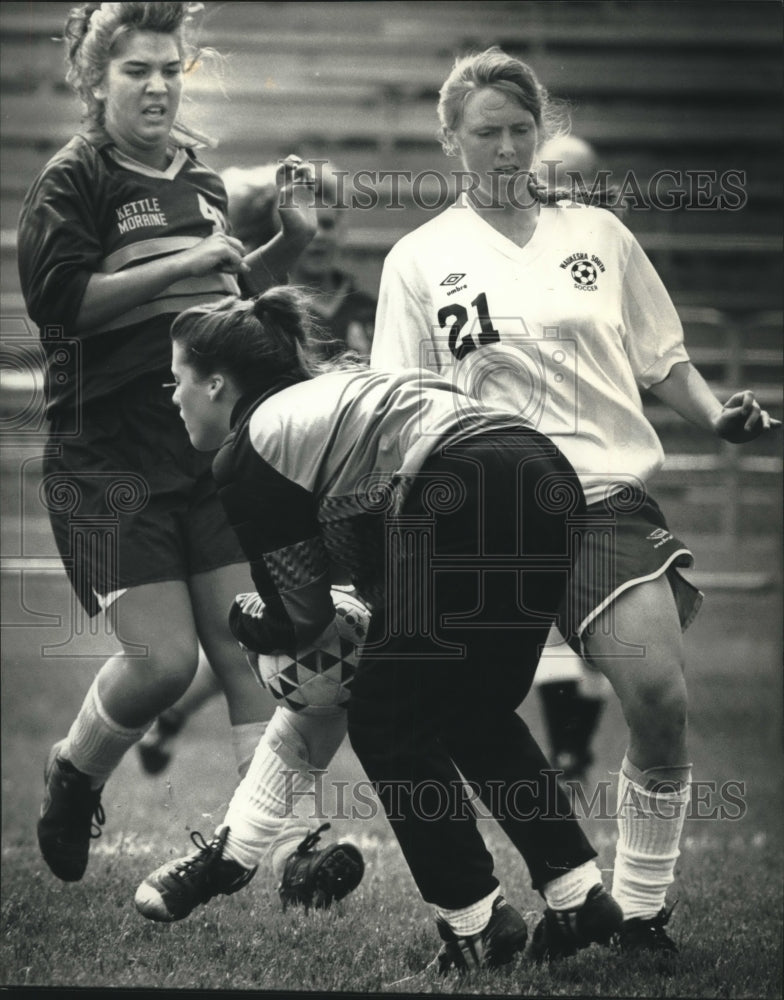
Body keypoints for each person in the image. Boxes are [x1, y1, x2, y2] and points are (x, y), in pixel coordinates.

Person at [370, 47, 780, 955]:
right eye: (488, 134)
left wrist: (717, 415)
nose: (510, 149)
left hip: (603, 499)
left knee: (659, 696)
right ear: (450, 141)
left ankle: (637, 911)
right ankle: (486, 906)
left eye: (523, 130)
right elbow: (401, 403)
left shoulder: (599, 236)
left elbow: (661, 354)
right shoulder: (418, 260)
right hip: (484, 511)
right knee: (424, 706)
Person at [133, 287, 623, 969]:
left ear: (216, 383)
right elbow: (367, 564)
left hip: (461, 483)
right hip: (539, 471)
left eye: (177, 379)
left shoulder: (249, 449)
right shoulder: (336, 394)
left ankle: (475, 926)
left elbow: (301, 617)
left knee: (386, 721)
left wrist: (249, 621)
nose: (173, 396)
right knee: (469, 710)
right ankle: (578, 895)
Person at [18, 1, 360, 904]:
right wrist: (181, 265)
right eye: (138, 70)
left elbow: (224, 294)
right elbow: (60, 308)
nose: (160, 85)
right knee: (165, 665)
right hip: (106, 456)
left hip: (202, 454)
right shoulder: (73, 179)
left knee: (255, 651)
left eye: (172, 67)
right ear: (96, 81)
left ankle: (292, 852)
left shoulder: (199, 179)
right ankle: (76, 771)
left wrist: (287, 240)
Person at [137, 160, 376, 774]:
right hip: (275, 489)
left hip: (341, 489)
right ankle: (280, 802)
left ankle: (188, 728)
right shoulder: (254, 308)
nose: (321, 230)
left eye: (331, 219)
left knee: (304, 627)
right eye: (308, 220)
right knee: (293, 624)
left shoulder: (367, 304)